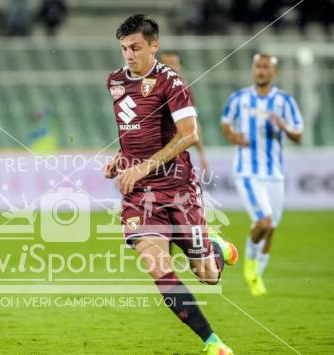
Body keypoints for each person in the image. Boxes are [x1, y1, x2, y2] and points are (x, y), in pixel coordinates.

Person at [103, 14, 237, 355]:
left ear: (154, 46)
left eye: (135, 48)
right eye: (124, 49)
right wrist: (122, 157)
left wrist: (143, 166)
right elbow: (136, 130)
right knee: (157, 267)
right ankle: (212, 342)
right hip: (139, 196)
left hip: (178, 190)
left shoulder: (171, 83)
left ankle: (217, 250)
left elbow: (188, 135)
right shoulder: (115, 82)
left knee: (207, 274)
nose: (129, 55)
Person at [221, 53, 303, 296]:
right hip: (247, 172)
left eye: (266, 67)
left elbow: (299, 135)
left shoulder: (285, 102)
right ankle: (249, 264)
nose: (261, 71)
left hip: (275, 174)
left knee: (271, 228)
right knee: (264, 221)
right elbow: (226, 124)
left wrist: (283, 126)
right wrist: (234, 136)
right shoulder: (239, 98)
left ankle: (257, 276)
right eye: (258, 66)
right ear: (253, 69)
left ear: (273, 72)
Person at [159, 50, 209, 173]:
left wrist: (202, 154)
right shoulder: (148, 88)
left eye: (173, 63)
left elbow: (193, 125)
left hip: (171, 152)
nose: (170, 67)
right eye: (166, 64)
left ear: (180, 66)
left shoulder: (183, 91)